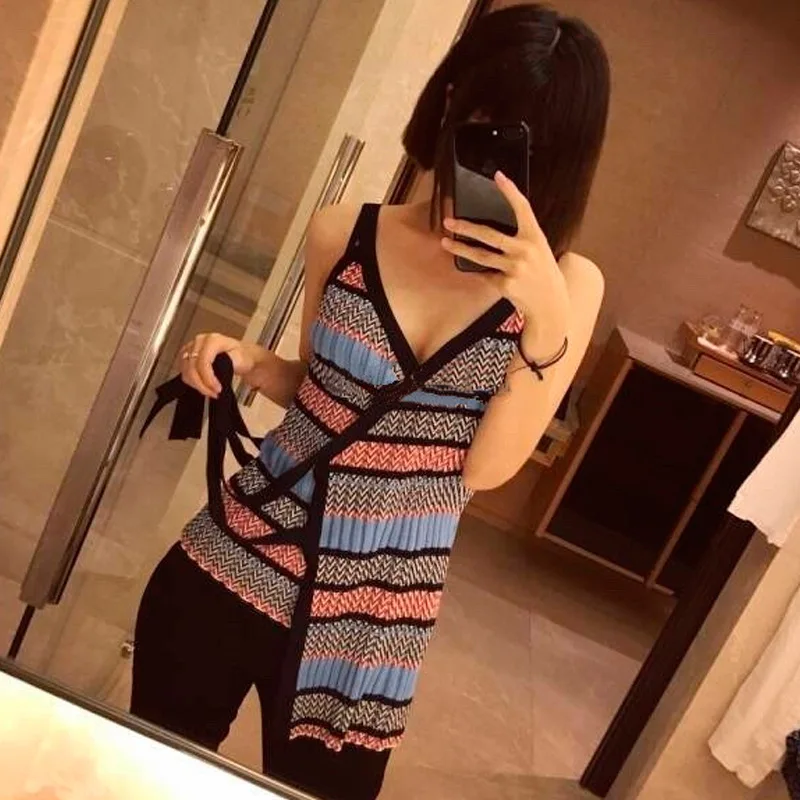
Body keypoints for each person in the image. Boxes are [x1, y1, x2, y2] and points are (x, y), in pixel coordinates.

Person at [130, 5, 610, 799]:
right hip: (232, 559)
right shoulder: (343, 232)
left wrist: (544, 318)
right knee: (146, 778)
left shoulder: (569, 288)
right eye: (483, 124)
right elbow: (323, 397)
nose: (496, 163)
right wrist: (247, 359)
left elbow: (483, 470)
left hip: (372, 622)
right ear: (450, 103)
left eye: (525, 144)